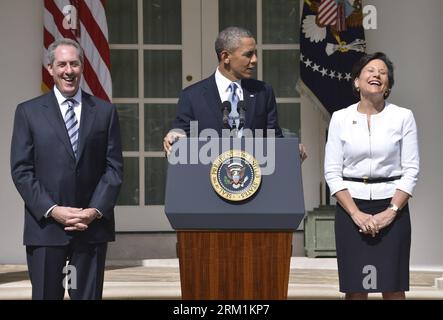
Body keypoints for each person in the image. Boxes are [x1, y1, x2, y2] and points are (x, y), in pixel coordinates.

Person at [10, 38, 123, 300]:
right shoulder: (28, 112)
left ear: (82, 67)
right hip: (46, 229)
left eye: (74, 63)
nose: (68, 70)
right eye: (61, 64)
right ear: (50, 69)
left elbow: (114, 167)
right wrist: (53, 210)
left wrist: (93, 211)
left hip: (91, 228)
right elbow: (22, 170)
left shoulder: (105, 112)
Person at [324, 52, 419, 300]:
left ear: (388, 86)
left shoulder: (403, 117)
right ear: (357, 81)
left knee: (393, 287)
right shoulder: (340, 118)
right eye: (370, 70)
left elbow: (411, 170)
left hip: (392, 207)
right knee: (355, 289)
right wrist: (355, 213)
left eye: (383, 72)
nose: (376, 74)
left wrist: (391, 212)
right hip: (350, 208)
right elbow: (332, 172)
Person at [163, 26, 307, 161]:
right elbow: (181, 134)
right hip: (207, 179)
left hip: (254, 178)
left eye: (255, 53)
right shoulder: (192, 95)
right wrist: (173, 137)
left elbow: (273, 137)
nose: (255, 60)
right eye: (248, 55)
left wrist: (290, 151)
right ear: (225, 56)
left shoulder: (263, 92)